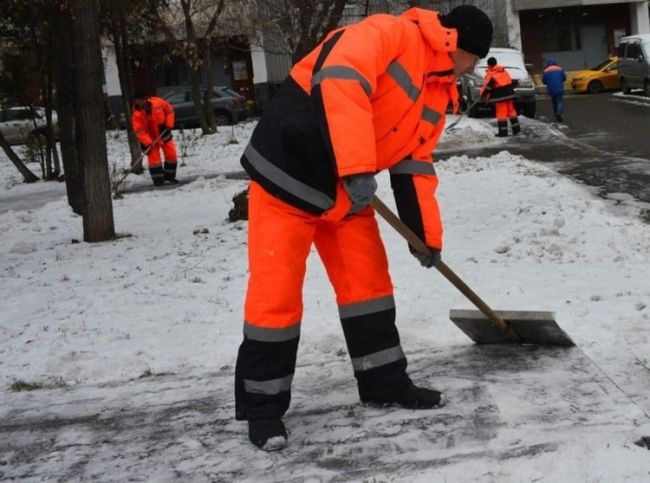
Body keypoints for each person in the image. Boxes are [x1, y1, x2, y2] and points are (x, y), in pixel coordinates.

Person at [235, 5, 493, 451]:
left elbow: (415, 161)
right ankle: (263, 411)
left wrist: (424, 236)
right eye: (472, 58)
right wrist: (356, 166)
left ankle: (383, 382)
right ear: (455, 43)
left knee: (368, 286)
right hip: (287, 179)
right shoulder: (388, 33)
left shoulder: (437, 90)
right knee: (275, 298)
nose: (471, 69)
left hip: (346, 195)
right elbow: (340, 78)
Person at [131, 90, 178, 186]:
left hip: (163, 132)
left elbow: (170, 111)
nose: (139, 102)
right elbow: (139, 130)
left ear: (145, 99)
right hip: (149, 138)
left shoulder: (158, 102)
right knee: (154, 160)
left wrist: (169, 124)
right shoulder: (136, 114)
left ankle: (170, 177)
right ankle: (158, 180)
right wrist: (148, 142)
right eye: (137, 100)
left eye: (141, 100)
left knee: (171, 155)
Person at [480, 57, 520, 136]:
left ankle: (503, 132)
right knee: (511, 112)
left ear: (489, 65)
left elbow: (488, 87)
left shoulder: (492, 74)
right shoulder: (503, 70)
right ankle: (516, 130)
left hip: (500, 97)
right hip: (509, 94)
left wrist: (483, 95)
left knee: (501, 114)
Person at [542, 58, 566, 122]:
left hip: (551, 89)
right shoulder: (560, 69)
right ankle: (559, 113)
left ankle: (556, 114)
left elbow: (544, 81)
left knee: (554, 102)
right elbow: (564, 78)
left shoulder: (546, 70)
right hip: (560, 88)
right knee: (559, 101)